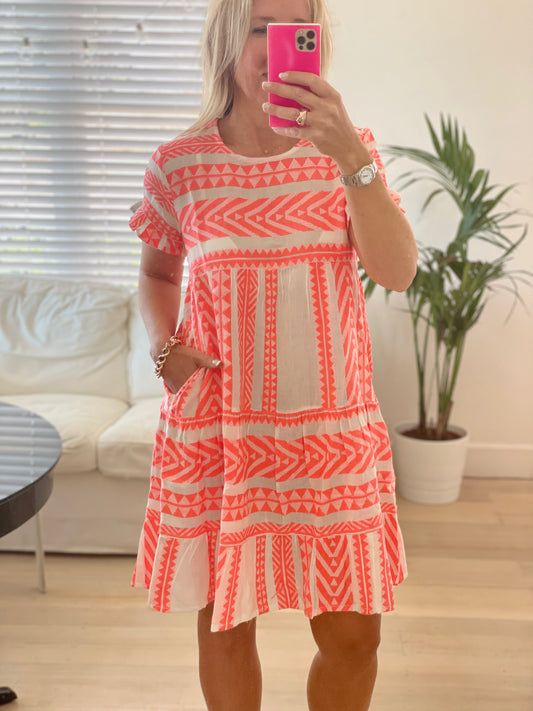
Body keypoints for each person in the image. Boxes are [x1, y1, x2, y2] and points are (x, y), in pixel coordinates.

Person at [129, 0, 417, 709]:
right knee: (226, 629)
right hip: (222, 432)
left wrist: (351, 158)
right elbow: (158, 273)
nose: (280, 45)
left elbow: (396, 271)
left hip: (330, 436)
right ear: (227, 37)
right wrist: (165, 349)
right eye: (263, 27)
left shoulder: (348, 153)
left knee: (354, 639)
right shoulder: (180, 164)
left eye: (298, 30)